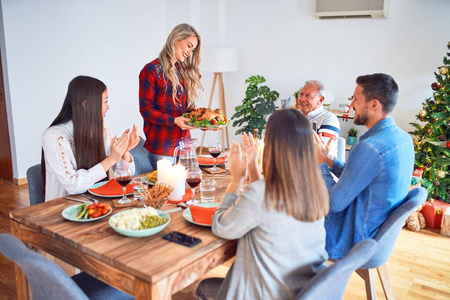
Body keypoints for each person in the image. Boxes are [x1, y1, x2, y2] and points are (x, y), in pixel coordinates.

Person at [196, 109, 329, 299]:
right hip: (298, 290)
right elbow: (265, 205)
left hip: (262, 293)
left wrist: (236, 180)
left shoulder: (263, 193)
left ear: (273, 145)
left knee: (203, 287)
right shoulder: (315, 188)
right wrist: (251, 164)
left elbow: (221, 226)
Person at [314, 73, 414, 259]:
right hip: (374, 235)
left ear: (374, 104)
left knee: (286, 215)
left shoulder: (368, 148)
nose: (351, 105)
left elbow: (333, 203)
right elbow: (358, 178)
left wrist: (320, 164)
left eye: (356, 99)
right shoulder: (403, 139)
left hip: (349, 240)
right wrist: (329, 160)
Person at [42, 76, 139, 201]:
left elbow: (126, 174)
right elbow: (73, 185)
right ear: (86, 104)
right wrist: (111, 159)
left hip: (98, 203)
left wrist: (124, 151)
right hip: (62, 208)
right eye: (105, 101)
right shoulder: (54, 137)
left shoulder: (102, 129)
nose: (108, 107)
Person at [139, 23, 203, 170]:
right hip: (163, 149)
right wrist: (174, 121)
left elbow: (188, 109)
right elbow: (146, 109)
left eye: (192, 49)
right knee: (167, 192)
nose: (189, 52)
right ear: (175, 39)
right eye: (188, 45)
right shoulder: (151, 70)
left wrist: (202, 120)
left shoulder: (183, 72)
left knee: (189, 191)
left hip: (185, 147)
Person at [295, 80, 340, 157]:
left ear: (320, 99)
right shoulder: (295, 116)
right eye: (301, 95)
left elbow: (319, 152)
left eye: (308, 95)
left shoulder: (329, 119)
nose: (302, 99)